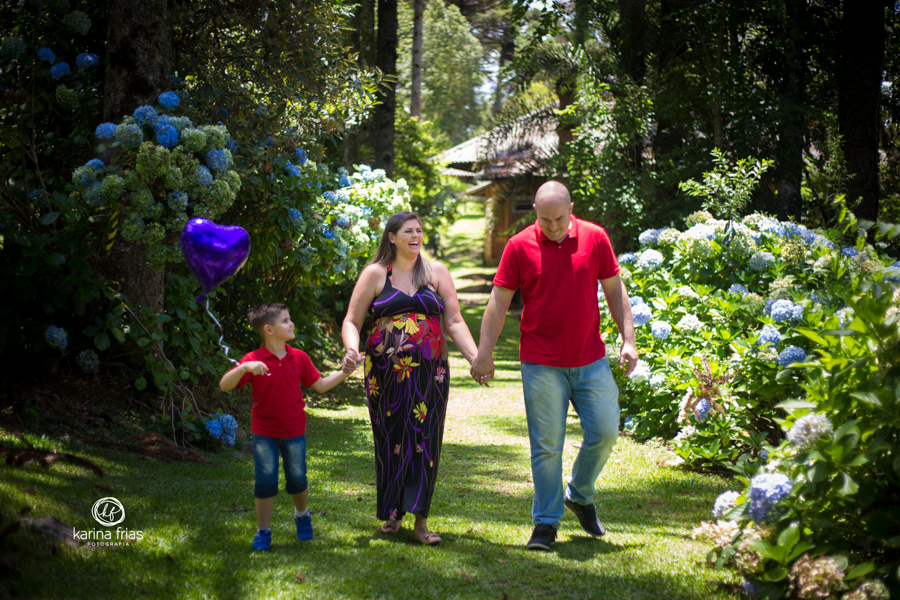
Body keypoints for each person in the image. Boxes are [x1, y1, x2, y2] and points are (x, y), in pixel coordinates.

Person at [470, 181, 638, 550]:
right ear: (535, 212)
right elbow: (499, 301)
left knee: (606, 431)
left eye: (560, 219)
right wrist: (484, 352)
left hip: (590, 357)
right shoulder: (519, 245)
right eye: (545, 220)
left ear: (571, 209)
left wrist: (628, 339)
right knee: (547, 446)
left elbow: (614, 289)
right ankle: (545, 523)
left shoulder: (595, 237)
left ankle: (579, 493)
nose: (553, 226)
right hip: (541, 361)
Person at [342, 211, 479, 546]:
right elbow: (352, 321)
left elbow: (455, 321)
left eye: (419, 230)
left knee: (425, 438)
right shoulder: (376, 274)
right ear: (391, 237)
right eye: (408, 231)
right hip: (386, 374)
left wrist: (476, 358)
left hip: (431, 373)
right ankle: (393, 511)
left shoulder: (436, 272)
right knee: (390, 438)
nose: (416, 236)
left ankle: (420, 520)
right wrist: (351, 349)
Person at [219, 302, 354, 552]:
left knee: (297, 479)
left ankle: (301, 514)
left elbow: (320, 385)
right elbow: (224, 385)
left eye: (290, 319)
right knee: (265, 482)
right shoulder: (253, 360)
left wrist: (344, 373)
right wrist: (243, 367)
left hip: (294, 431)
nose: (291, 324)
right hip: (264, 433)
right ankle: (263, 531)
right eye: (285, 320)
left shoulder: (299, 357)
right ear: (268, 330)